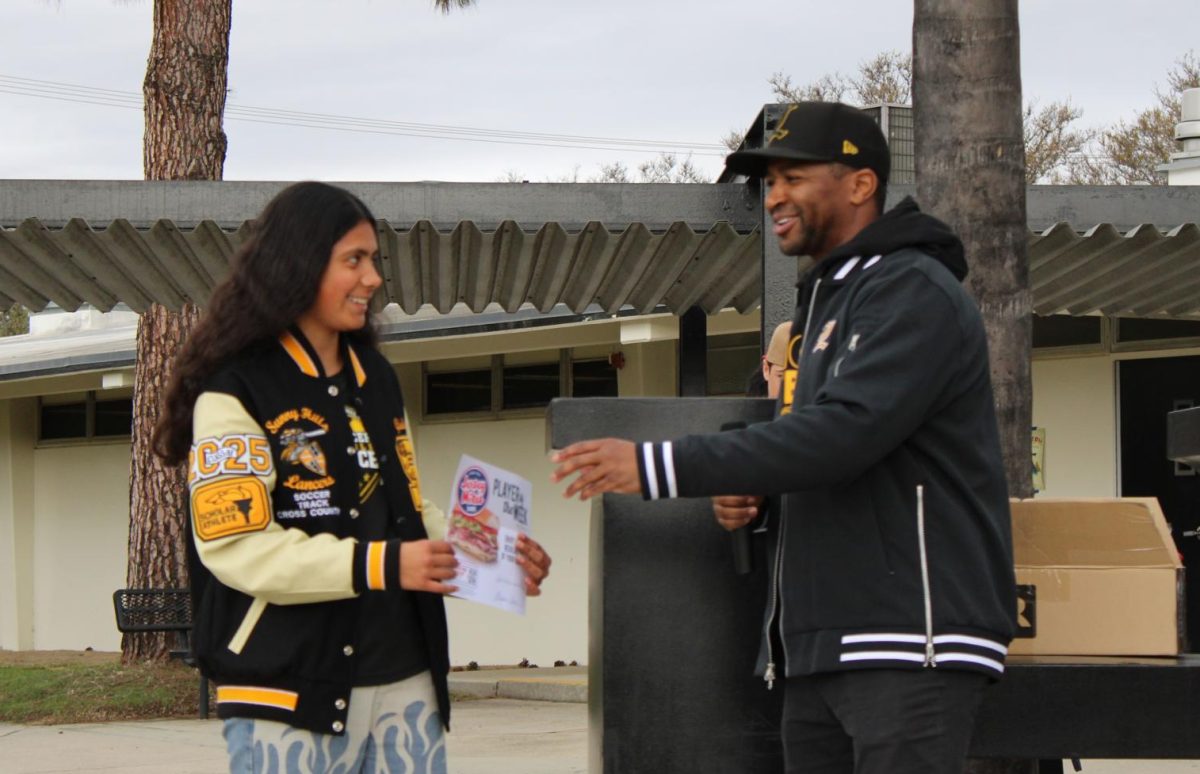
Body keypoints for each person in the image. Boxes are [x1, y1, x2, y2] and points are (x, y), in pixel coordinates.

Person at [551, 102, 1015, 774]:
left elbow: (844, 433)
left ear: (859, 184)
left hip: (910, 644)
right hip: (821, 646)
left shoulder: (912, 289)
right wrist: (757, 491)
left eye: (793, 178)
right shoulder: (826, 301)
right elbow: (812, 436)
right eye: (769, 184)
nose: (774, 197)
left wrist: (656, 464)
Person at [154, 181, 551, 774]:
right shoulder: (235, 390)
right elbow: (235, 548)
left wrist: (492, 556)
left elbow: (408, 511)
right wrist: (385, 564)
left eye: (373, 261)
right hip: (286, 692)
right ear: (297, 264)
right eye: (354, 261)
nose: (373, 279)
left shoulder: (378, 379)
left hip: (407, 681)